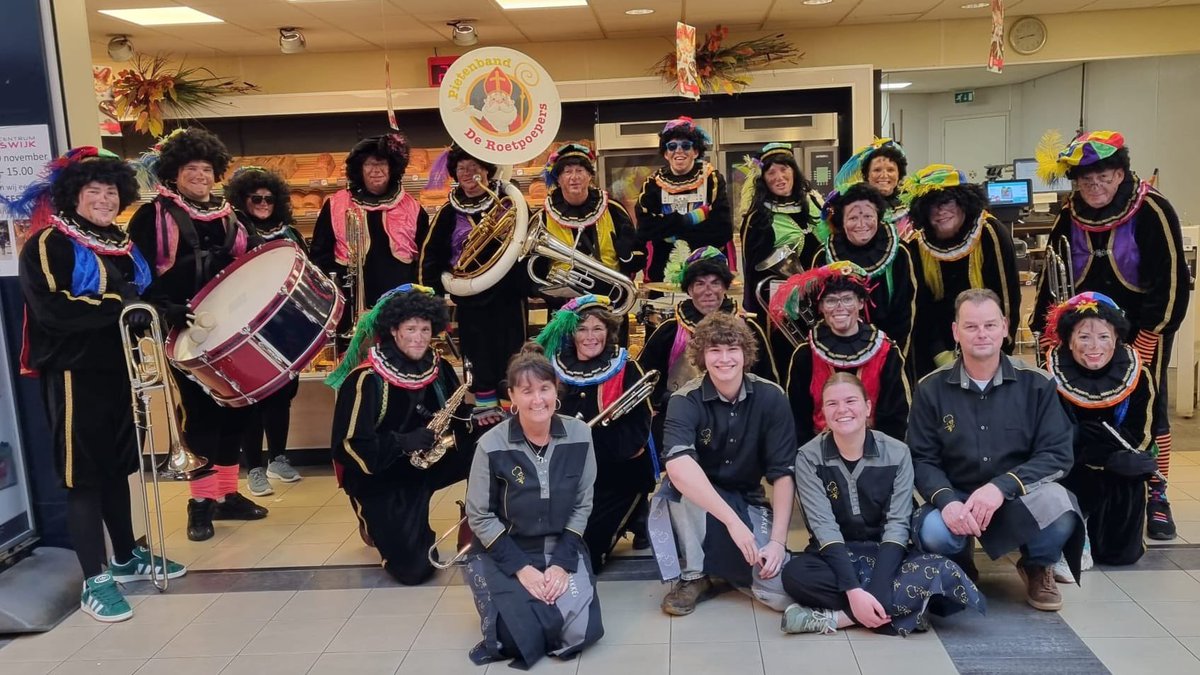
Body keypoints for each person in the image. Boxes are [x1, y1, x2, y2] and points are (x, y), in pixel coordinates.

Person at [14, 147, 186, 622]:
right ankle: (95, 580)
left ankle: (126, 556)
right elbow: (56, 310)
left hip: (120, 372)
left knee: (116, 471)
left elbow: (140, 296)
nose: (105, 199)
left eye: (111, 191)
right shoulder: (49, 243)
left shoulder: (121, 242)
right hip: (74, 375)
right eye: (95, 192)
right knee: (84, 479)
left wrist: (163, 309)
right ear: (74, 195)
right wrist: (131, 311)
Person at [1030, 130, 1189, 540]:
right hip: (1078, 336)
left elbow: (1171, 281)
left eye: (1104, 176)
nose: (1094, 186)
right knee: (1075, 410)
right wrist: (1046, 331)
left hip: (1139, 332)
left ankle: (1156, 492)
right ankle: (1084, 486)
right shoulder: (1070, 213)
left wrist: (1150, 337)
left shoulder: (1152, 208)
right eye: (1085, 179)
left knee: (1149, 411)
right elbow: (1053, 273)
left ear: (1121, 174)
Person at [128, 128, 268, 542]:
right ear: (174, 172)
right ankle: (200, 502)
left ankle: (227, 493)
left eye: (207, 169)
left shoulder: (230, 216)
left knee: (236, 412)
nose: (200, 176)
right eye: (192, 169)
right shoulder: (151, 216)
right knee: (201, 416)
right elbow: (135, 275)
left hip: (229, 331)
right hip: (182, 331)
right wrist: (160, 307)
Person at [908, 289, 1082, 612]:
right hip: (957, 499)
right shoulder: (930, 388)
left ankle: (1037, 563)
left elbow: (1057, 454)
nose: (982, 334)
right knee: (933, 531)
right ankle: (959, 563)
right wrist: (946, 501)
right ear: (955, 332)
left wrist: (1001, 487)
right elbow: (921, 458)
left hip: (1016, 498)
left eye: (989, 325)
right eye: (971, 326)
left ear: (1005, 327)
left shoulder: (1038, 384)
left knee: (1059, 506)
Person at [780, 373, 985, 636]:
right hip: (836, 555)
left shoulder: (897, 452)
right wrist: (854, 591)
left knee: (946, 576)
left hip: (887, 554)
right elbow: (824, 528)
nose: (842, 410)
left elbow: (897, 525)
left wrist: (874, 591)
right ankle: (900, 610)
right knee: (795, 574)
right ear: (823, 412)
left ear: (867, 407)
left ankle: (839, 617)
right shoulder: (808, 457)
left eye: (851, 401)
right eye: (831, 404)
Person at [463, 345, 603, 669]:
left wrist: (560, 564)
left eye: (544, 388)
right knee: (513, 641)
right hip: (506, 548)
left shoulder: (581, 434)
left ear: (557, 392)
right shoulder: (490, 444)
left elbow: (583, 504)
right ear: (512, 395)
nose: (537, 399)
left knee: (581, 634)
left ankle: (545, 606)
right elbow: (479, 516)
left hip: (561, 544)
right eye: (526, 391)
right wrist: (522, 569)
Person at [326, 284, 475, 585]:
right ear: (393, 329)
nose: (419, 338)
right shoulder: (365, 379)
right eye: (411, 329)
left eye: (425, 329)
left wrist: (480, 419)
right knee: (414, 571)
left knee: (489, 445)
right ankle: (374, 521)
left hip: (427, 462)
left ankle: (478, 524)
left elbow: (455, 418)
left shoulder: (439, 366)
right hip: (380, 476)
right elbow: (347, 447)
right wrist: (401, 442)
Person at [653, 312, 796, 616]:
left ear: (746, 354)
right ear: (702, 356)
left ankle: (726, 568)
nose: (724, 359)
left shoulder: (772, 397)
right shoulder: (683, 399)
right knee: (675, 488)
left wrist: (778, 542)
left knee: (776, 590)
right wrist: (734, 524)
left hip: (748, 496)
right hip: (700, 497)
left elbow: (783, 474)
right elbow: (678, 466)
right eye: (714, 350)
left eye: (732, 349)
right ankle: (696, 576)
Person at [534, 295, 654, 571]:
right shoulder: (552, 365)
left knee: (585, 552)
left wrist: (592, 447)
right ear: (571, 333)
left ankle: (636, 511)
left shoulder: (625, 365)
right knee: (543, 539)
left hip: (616, 472)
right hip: (563, 471)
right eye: (582, 328)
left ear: (609, 331)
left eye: (598, 328)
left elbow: (638, 428)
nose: (590, 336)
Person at [1043, 292, 1157, 569]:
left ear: (1116, 338)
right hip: (1069, 468)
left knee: (1121, 556)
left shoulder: (1138, 375)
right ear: (1069, 340)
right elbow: (1049, 438)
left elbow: (1142, 433)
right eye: (1084, 337)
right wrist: (1094, 452)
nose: (1094, 346)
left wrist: (1117, 459)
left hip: (1118, 470)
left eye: (1104, 337)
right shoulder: (1046, 376)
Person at [420, 144, 528, 424]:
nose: (469, 173)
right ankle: (485, 415)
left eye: (475, 167)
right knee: (477, 355)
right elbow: (430, 257)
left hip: (508, 297)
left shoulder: (508, 202)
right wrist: (433, 301)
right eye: (462, 168)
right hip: (469, 300)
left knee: (513, 355)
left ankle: (514, 413)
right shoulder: (447, 213)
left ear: (487, 171)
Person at [638, 246, 777, 458]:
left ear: (725, 287)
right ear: (689, 289)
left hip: (738, 421)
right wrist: (665, 402)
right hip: (681, 419)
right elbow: (644, 376)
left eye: (715, 283)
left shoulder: (748, 328)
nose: (708, 291)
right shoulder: (669, 329)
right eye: (699, 284)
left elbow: (767, 380)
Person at [224, 166, 304, 496]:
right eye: (255, 198)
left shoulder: (291, 233)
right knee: (251, 399)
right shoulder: (234, 232)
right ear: (242, 200)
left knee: (281, 397)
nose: (262, 203)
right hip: (245, 328)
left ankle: (278, 458)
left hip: (283, 327)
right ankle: (254, 468)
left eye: (269, 198)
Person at [902, 165, 1020, 379]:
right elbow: (920, 306)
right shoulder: (916, 243)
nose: (940, 211)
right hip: (936, 346)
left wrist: (999, 352)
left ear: (963, 202)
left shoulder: (989, 233)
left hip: (987, 340)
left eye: (947, 201)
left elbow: (1007, 298)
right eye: (931, 205)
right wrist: (938, 353)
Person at [773, 262, 910, 446]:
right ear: (821, 306)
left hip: (877, 453)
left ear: (861, 302)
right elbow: (797, 419)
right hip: (818, 456)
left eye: (847, 299)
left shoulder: (887, 353)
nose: (839, 307)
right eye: (830, 300)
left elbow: (896, 419)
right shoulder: (805, 355)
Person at [311, 133, 428, 325]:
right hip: (350, 306)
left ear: (392, 168)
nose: (376, 170)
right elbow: (319, 255)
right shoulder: (335, 204)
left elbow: (424, 259)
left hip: (400, 306)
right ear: (359, 169)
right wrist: (336, 290)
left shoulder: (413, 207)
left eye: (382, 163)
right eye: (369, 164)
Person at [530, 143, 642, 308]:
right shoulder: (543, 217)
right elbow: (532, 268)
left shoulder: (613, 209)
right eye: (567, 172)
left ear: (590, 176)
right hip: (563, 305)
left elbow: (638, 258)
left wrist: (627, 257)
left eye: (580, 171)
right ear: (558, 179)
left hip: (609, 301)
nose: (574, 177)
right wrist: (549, 294)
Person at [815, 183, 917, 357]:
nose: (861, 224)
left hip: (889, 348)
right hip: (837, 349)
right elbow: (819, 309)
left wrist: (892, 356)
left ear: (878, 217)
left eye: (868, 216)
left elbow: (905, 312)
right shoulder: (823, 257)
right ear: (841, 221)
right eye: (853, 218)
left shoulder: (899, 254)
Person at [636, 117, 733, 283]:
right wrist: (694, 218)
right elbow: (645, 229)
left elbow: (721, 230)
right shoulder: (652, 183)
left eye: (686, 145)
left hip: (707, 267)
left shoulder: (712, 179)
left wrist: (669, 231)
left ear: (695, 151)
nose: (678, 151)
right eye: (672, 146)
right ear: (666, 153)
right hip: (663, 269)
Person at [737, 142, 825, 319]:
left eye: (784, 169)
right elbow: (753, 273)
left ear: (793, 171)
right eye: (771, 172)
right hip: (783, 307)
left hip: (824, 296)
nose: (779, 177)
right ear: (764, 179)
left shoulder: (814, 202)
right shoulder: (758, 218)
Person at [833, 138, 913, 240]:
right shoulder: (851, 204)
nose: (884, 175)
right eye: (877, 170)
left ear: (899, 174)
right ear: (867, 175)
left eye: (890, 170)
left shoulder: (910, 205)